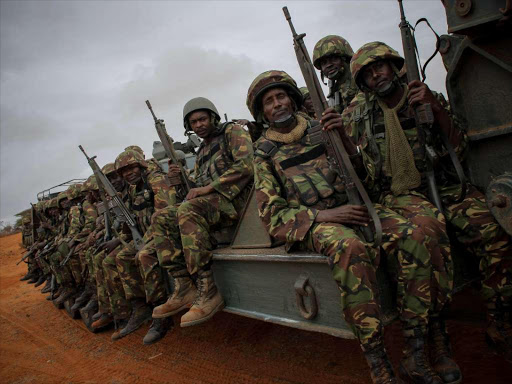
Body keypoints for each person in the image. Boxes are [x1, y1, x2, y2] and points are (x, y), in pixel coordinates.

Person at [246, 69, 453, 384]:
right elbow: (273, 217)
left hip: (356, 208)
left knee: (414, 234)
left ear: (292, 99)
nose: (277, 104)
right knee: (351, 248)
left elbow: (368, 177)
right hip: (317, 223)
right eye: (269, 101)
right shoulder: (263, 154)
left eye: (281, 96)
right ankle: (378, 363)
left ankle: (417, 347)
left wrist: (344, 139)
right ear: (262, 111)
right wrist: (326, 216)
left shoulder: (321, 128)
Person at [344, 41, 512, 365]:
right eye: (367, 73)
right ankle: (434, 336)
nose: (376, 75)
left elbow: (459, 148)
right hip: (400, 197)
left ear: (394, 66)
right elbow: (364, 173)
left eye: (380, 66)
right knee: (425, 238)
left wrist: (433, 108)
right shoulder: (361, 118)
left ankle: (498, 318)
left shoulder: (423, 96)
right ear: (363, 84)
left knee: (494, 229)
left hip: (445, 187)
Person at [151, 97, 254, 328]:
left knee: (188, 210)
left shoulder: (233, 132)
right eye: (193, 122)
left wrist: (210, 187)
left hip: (240, 203)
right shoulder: (202, 151)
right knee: (161, 217)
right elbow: (196, 185)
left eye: (202, 119)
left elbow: (247, 164)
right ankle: (183, 286)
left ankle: (208, 288)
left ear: (213, 118)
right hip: (213, 205)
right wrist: (180, 180)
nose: (198, 125)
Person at [312, 35, 358, 113]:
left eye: (334, 59)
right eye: (324, 63)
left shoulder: (360, 80)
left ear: (345, 59)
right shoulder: (335, 91)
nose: (329, 65)